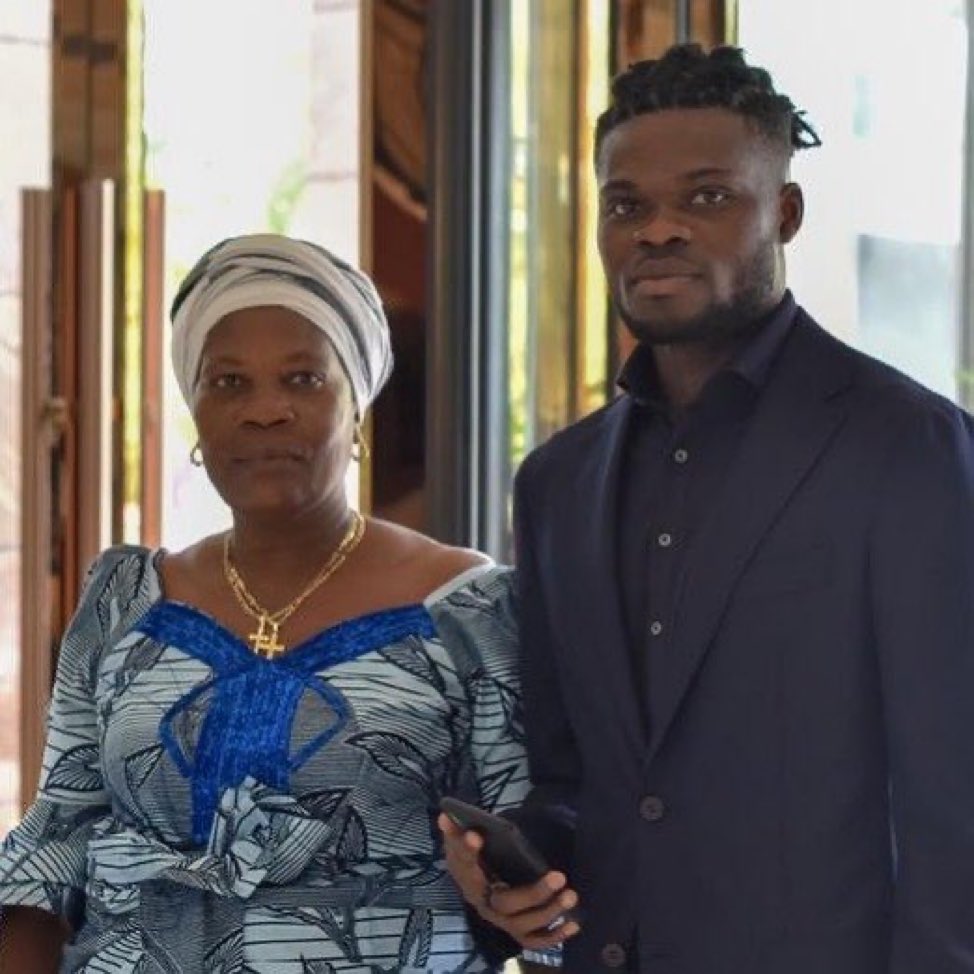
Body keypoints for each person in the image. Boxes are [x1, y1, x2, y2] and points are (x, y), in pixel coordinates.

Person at [441, 44, 974, 973]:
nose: (657, 231)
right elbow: (578, 785)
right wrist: (513, 875)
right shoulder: (557, 484)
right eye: (626, 205)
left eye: (707, 197)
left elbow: (954, 798)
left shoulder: (909, 449)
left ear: (787, 213)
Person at [0, 234, 528, 972]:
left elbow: (537, 872)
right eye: (228, 384)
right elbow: (57, 842)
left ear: (357, 410)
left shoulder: (468, 607)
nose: (266, 412)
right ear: (197, 416)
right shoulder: (123, 600)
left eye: (304, 379)